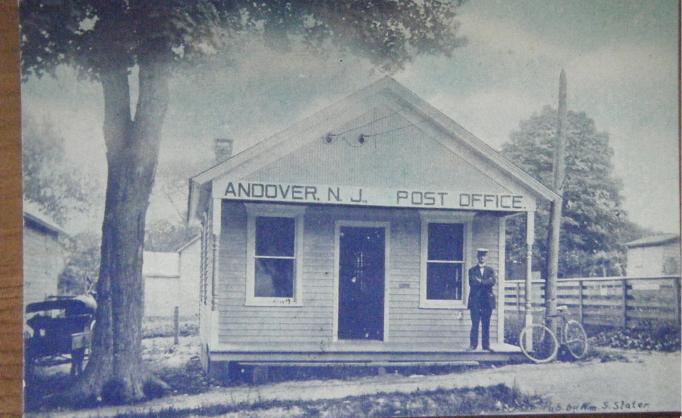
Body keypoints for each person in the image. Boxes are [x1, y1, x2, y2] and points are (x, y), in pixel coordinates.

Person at [468, 248, 496, 351]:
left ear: (486, 257)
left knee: (486, 324)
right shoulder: (472, 270)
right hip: (475, 300)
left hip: (487, 301)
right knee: (475, 324)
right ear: (477, 257)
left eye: (484, 256)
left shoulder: (490, 270)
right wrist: (485, 282)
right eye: (480, 256)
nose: (482, 258)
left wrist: (481, 281)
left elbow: (492, 282)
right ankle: (473, 345)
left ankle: (486, 346)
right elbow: (472, 283)